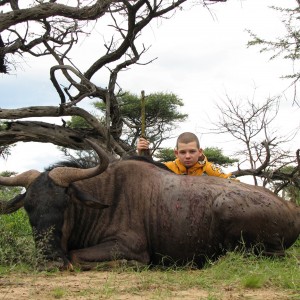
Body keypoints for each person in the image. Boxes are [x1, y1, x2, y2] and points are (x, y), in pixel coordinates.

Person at [137, 132, 233, 178]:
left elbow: (233, 182)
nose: (187, 156)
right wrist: (142, 153)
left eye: (192, 151)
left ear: (200, 152)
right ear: (176, 153)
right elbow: (148, 174)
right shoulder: (167, 168)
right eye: (183, 152)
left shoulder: (210, 169)